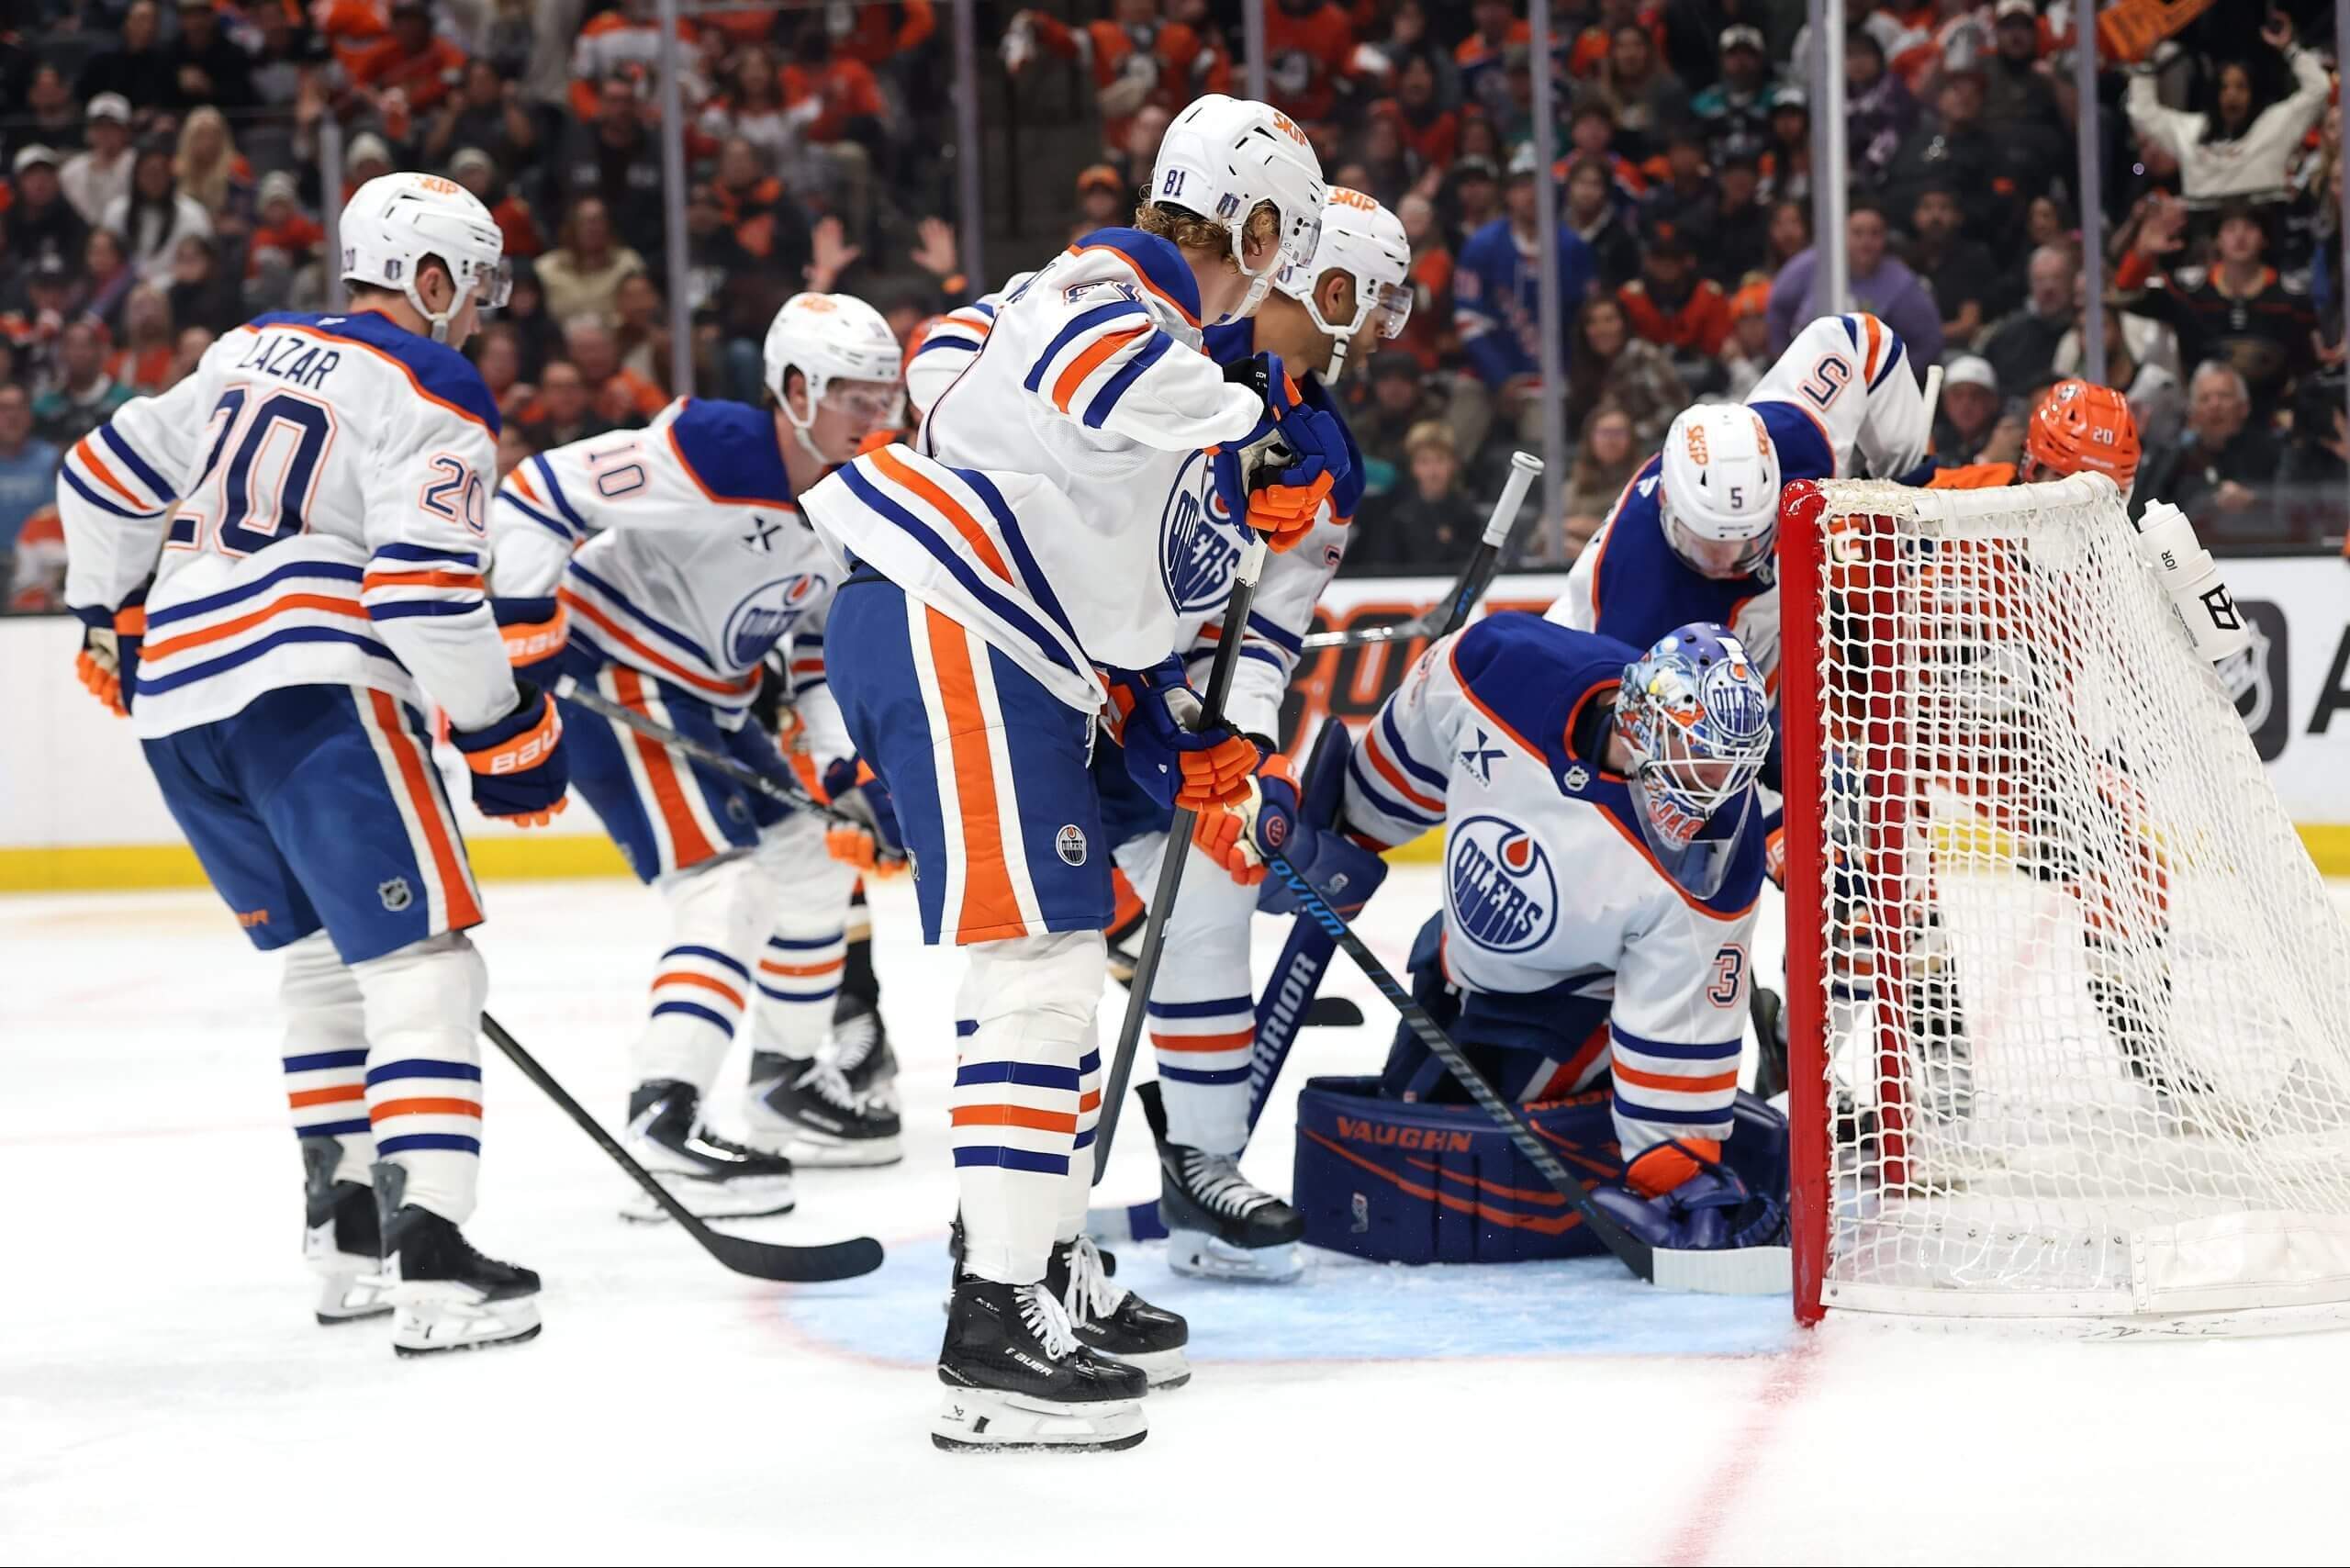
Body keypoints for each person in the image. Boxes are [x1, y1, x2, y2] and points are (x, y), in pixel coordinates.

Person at [798, 94, 1337, 1451]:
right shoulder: (1115, 287)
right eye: (1285, 251)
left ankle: (1037, 1266)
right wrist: (1244, 426)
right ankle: (993, 1325)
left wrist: (1182, 739)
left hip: (1004, 641)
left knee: (1056, 968)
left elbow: (964, 380)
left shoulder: (1101, 322)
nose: (1284, 288)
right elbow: (1093, 367)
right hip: (958, 621)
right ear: (1254, 229)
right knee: (1035, 970)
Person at [54, 172, 564, 1356]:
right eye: (472, 286)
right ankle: (435, 1257)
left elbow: (100, 473)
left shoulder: (246, 346)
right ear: (428, 278)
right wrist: (500, 729)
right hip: (312, 691)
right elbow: (423, 591)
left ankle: (345, 1243)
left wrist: (101, 613)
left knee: (326, 962)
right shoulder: (432, 379)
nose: (478, 312)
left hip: (180, 703)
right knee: (424, 964)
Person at [488, 294, 907, 1204]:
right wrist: (520, 637)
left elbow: (813, 653)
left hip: (711, 701)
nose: (878, 416)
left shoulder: (856, 504)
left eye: (888, 397)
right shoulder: (715, 449)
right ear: (795, 390)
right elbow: (537, 493)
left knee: (811, 866)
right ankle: (663, 1118)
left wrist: (845, 768)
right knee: (725, 887)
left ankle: (784, 1082)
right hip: (614, 672)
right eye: (855, 396)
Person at [1256, 615, 1785, 1251]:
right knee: (1409, 1117)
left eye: (1729, 767)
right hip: (1456, 963)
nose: (1714, 789)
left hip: (1575, 1010)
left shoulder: (1717, 853)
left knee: (1455, 1162)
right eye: (1699, 759)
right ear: (1643, 722)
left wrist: (1676, 1172)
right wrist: (1345, 831)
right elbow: (1408, 753)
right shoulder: (1504, 669)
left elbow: (1680, 1017)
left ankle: (1715, 1151)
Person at [1545, 314, 1935, 678]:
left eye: (1747, 542)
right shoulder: (1641, 602)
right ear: (1668, 508)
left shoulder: (1799, 444)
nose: (1727, 563)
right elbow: (1624, 715)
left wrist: (1903, 486)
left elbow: (1861, 340)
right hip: (1607, 667)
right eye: (1708, 546)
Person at [1454, 144, 1597, 447]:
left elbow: (1583, 321)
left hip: (1547, 379)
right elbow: (1469, 321)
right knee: (1453, 435)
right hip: (1486, 375)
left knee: (1544, 450)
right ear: (1507, 194)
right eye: (1521, 187)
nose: (1531, 195)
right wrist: (1500, 378)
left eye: (1537, 186)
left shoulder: (1572, 248)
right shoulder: (1482, 246)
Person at [2124, 13, 2327, 210]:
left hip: (2262, 222)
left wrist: (2291, 49)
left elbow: (2319, 89)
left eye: (2241, 87)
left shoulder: (2275, 125)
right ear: (2213, 94)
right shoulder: (2189, 132)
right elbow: (2143, 113)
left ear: (2253, 94)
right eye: (2223, 87)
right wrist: (2145, 62)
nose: (2232, 95)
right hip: (2204, 228)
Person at [1765, 201, 1942, 364]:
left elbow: (1928, 342)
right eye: (1857, 233)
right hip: (1808, 372)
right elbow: (1777, 309)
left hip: (1870, 378)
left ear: (1885, 237)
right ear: (1841, 234)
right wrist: (1785, 363)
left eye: (1875, 233)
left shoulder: (1901, 284)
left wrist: (1891, 377)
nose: (1866, 242)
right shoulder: (1807, 267)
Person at [2142, 362, 2280, 534]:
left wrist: (2255, 501)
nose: (2214, 405)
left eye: (2224, 396)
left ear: (2244, 407)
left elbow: (2294, 501)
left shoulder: (2272, 452)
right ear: (2192, 412)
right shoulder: (2175, 459)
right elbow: (2150, 510)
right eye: (2204, 398)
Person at [1566, 292, 1686, 443]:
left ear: (1624, 323)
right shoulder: (1582, 364)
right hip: (1598, 451)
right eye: (1592, 322)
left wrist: (1632, 435)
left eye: (1609, 320)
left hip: (1649, 447)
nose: (1601, 329)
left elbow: (1675, 407)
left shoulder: (1643, 355)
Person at [1977, 241, 2076, 398]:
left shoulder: (2088, 332)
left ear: (2072, 282)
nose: (2048, 288)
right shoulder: (2008, 335)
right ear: (2030, 284)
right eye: (2040, 280)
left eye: (2057, 278)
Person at [1561, 401, 1642, 559]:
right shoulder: (1574, 487)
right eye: (1604, 433)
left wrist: (1586, 527)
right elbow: (1544, 532)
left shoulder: (1643, 485)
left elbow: (1637, 533)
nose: (1611, 441)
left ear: (1632, 439)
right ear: (1590, 438)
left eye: (1619, 433)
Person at [32, 322, 132, 449]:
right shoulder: (46, 407)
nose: (78, 353)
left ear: (99, 352)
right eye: (71, 346)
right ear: (61, 353)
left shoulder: (124, 401)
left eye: (85, 346)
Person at [62, 94, 136, 230]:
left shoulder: (137, 164)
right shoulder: (71, 171)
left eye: (112, 126)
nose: (105, 132)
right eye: (99, 126)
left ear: (126, 131)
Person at [1932, 354, 2015, 467]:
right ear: (1945, 401)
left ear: (1994, 401)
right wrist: (1986, 460)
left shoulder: (2006, 439)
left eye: (1977, 394)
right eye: (1957, 394)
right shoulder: (1935, 439)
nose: (1966, 403)